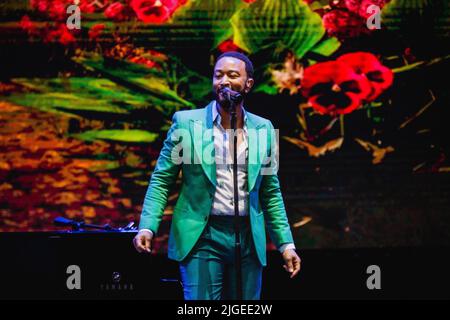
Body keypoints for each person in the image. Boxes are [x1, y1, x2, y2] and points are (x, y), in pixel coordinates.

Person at [133, 51, 301, 300]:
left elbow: (270, 191)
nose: (224, 80)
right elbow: (162, 180)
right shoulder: (185, 124)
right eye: (218, 75)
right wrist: (147, 226)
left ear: (248, 84)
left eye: (233, 75)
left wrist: (286, 244)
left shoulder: (263, 129)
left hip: (247, 239)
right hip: (202, 235)